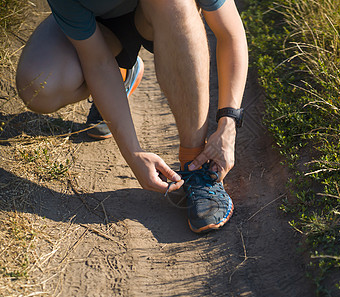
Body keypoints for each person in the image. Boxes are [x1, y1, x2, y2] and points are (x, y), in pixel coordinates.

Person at [15, 0, 248, 233]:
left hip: (163, 13)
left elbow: (230, 33)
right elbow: (96, 61)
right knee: (38, 87)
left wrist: (228, 124)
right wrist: (133, 154)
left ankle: (196, 164)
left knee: (175, 4)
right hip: (102, 29)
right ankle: (123, 70)